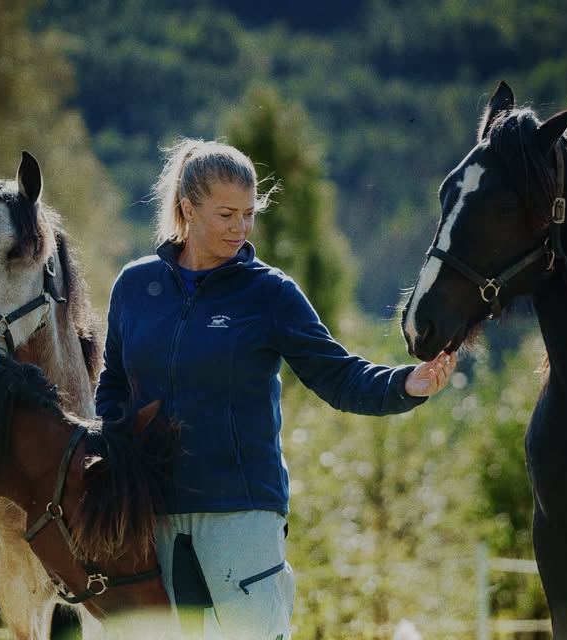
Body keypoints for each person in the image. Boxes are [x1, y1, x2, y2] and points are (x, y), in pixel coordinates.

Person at [95, 139, 456, 639]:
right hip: (150, 519)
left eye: (249, 214)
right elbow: (113, 385)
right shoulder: (135, 287)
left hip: (241, 514)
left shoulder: (270, 293)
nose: (241, 228)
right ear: (188, 209)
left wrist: (405, 384)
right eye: (226, 215)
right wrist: (109, 464)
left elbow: (337, 375)